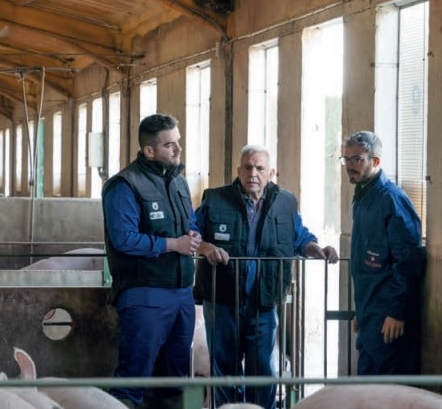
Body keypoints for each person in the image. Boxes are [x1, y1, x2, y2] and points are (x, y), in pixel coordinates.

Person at [193, 145, 338, 409]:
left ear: (271, 172)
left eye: (259, 168)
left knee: (263, 369)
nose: (253, 173)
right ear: (238, 170)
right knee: (225, 367)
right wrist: (206, 248)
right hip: (223, 297)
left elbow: (299, 237)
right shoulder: (214, 199)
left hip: (264, 299)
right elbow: (192, 233)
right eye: (247, 167)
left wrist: (316, 249)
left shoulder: (286, 202)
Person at [102, 113, 202, 409]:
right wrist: (174, 244)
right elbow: (124, 239)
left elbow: (190, 222)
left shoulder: (179, 182)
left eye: (178, 142)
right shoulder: (124, 185)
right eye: (170, 145)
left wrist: (196, 239)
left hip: (182, 292)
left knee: (174, 379)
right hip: (144, 292)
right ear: (149, 150)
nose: (178, 150)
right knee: (134, 377)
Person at [341, 131, 426, 375]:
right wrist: (362, 311)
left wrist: (397, 312)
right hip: (371, 316)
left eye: (357, 159)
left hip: (389, 321)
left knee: (388, 392)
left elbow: (408, 261)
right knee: (368, 390)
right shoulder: (363, 197)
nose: (349, 166)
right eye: (346, 159)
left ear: (375, 161)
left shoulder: (392, 200)